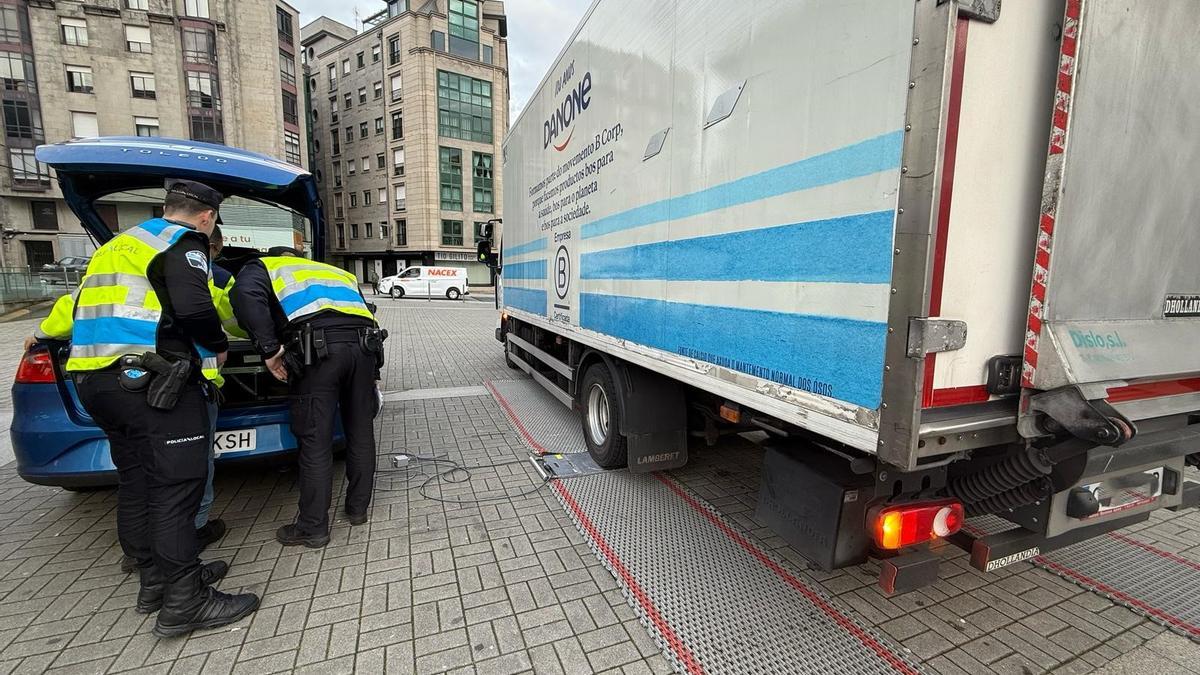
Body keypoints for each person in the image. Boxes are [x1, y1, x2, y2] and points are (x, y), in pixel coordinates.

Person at [34, 180, 258, 637]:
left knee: (138, 481)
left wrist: (40, 334)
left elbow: (75, 309)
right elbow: (196, 308)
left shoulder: (116, 248)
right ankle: (185, 601)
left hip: (97, 383)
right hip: (152, 383)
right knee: (178, 486)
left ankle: (154, 580)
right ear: (206, 217)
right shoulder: (183, 240)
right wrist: (216, 347)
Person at [231, 248, 383, 548]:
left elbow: (244, 297)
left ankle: (313, 527)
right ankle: (357, 510)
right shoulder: (334, 272)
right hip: (365, 349)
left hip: (320, 354)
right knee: (361, 431)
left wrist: (270, 350)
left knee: (316, 440)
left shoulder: (265, 266)